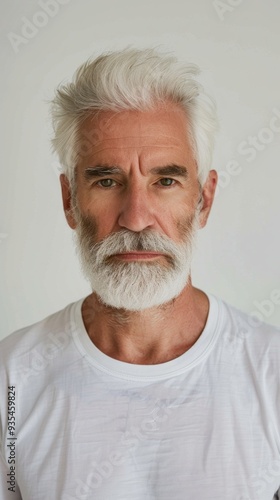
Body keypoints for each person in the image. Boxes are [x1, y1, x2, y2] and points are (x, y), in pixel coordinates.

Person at [0, 47, 279, 500]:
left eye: (165, 181)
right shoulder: (11, 381)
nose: (136, 218)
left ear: (204, 200)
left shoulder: (271, 374)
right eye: (107, 181)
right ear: (70, 200)